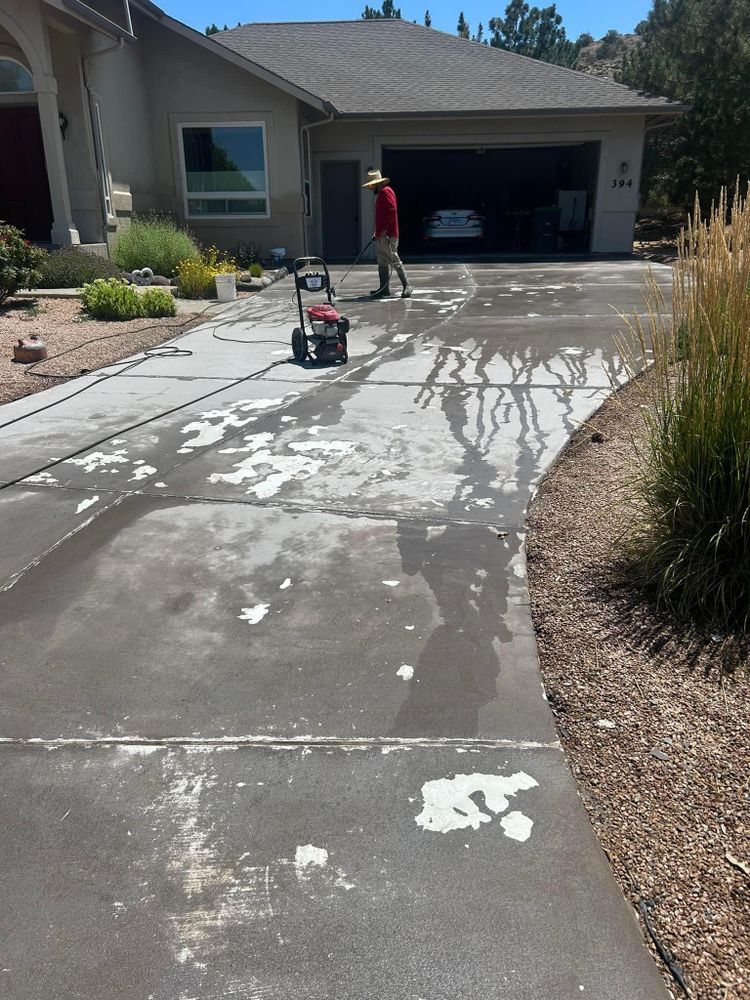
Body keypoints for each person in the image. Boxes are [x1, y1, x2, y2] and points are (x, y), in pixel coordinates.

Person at [361, 169, 412, 299]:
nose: (371, 188)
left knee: (394, 259)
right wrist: (378, 232)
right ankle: (384, 289)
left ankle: (407, 286)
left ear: (377, 183)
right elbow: (382, 216)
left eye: (372, 185)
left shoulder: (386, 192)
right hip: (381, 235)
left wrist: (384, 229)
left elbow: (391, 210)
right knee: (382, 261)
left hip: (388, 235)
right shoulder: (382, 194)